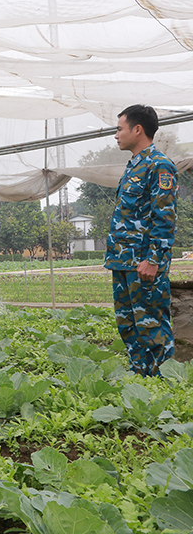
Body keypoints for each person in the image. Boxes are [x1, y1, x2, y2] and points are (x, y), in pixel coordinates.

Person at [105, 104, 177, 377]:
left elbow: (164, 218)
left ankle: (167, 382)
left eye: (119, 128)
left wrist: (153, 259)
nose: (116, 135)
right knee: (128, 325)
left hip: (144, 264)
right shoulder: (134, 165)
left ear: (138, 129)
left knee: (152, 324)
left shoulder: (159, 166)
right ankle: (142, 378)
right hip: (124, 261)